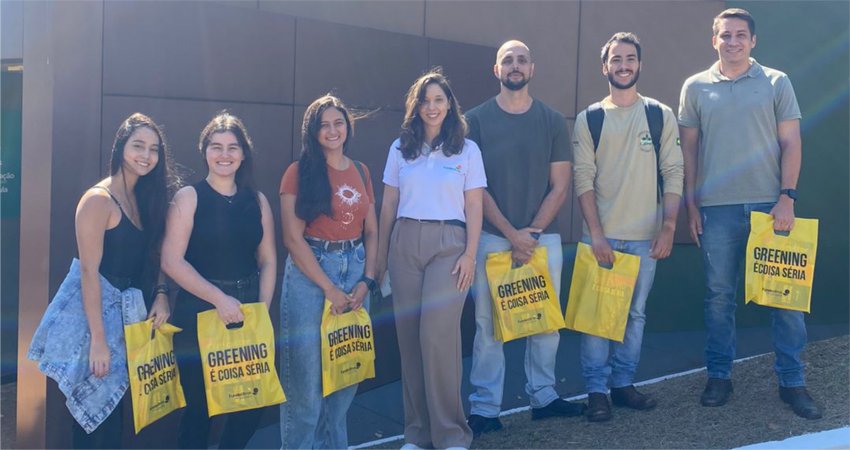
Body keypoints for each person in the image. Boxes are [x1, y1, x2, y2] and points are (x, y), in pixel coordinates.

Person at [678, 8, 821, 419]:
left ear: (753, 41)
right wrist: (691, 205)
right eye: (725, 35)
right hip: (716, 210)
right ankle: (719, 376)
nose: (733, 41)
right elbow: (689, 151)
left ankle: (792, 382)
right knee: (719, 298)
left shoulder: (777, 81)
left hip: (770, 207)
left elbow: (791, 143)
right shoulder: (695, 87)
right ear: (714, 40)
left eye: (741, 35)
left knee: (786, 301)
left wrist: (787, 198)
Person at [28, 113, 175, 448]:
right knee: (91, 414)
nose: (146, 155)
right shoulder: (98, 200)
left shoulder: (145, 198)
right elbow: (87, 273)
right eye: (138, 145)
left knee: (113, 414)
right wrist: (98, 340)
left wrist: (162, 293)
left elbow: (157, 253)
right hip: (93, 323)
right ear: (120, 147)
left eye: (154, 149)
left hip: (130, 318)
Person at [465, 40, 583, 437]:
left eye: (521, 60)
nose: (515, 66)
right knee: (488, 326)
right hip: (491, 239)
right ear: (495, 70)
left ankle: (544, 397)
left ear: (532, 68)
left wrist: (529, 234)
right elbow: (474, 187)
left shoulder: (551, 120)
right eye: (507, 61)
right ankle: (484, 408)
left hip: (541, 239)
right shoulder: (475, 121)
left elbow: (561, 185)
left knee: (546, 323)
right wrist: (511, 234)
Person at [573, 32, 683, 422]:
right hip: (601, 239)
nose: (623, 65)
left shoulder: (659, 114)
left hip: (645, 240)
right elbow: (583, 180)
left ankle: (622, 385)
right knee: (596, 318)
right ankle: (596, 391)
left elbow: (673, 171)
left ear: (640, 64)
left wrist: (669, 225)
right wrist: (597, 235)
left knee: (635, 315)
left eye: (630, 59)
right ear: (605, 67)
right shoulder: (590, 119)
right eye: (616, 59)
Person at [375, 70, 485, 450]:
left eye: (439, 100)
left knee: (436, 338)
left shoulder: (467, 150)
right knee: (409, 341)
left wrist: (471, 254)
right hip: (405, 242)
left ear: (450, 104)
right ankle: (417, 436)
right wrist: (380, 259)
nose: (432, 107)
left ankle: (452, 435)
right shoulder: (399, 148)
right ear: (416, 106)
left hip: (449, 246)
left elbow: (474, 204)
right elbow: (388, 204)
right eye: (425, 100)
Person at [161, 112, 278, 448]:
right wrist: (219, 299)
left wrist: (262, 312)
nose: (224, 154)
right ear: (205, 151)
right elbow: (171, 260)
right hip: (200, 311)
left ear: (243, 154)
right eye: (216, 146)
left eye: (232, 147)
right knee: (200, 410)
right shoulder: (189, 198)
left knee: (250, 406)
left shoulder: (257, 200)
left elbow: (268, 259)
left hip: (247, 311)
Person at [278, 95, 378, 449]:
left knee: (343, 377)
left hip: (354, 270)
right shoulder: (298, 172)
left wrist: (367, 280)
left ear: (348, 127)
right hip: (311, 272)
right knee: (304, 386)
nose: (332, 131)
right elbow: (292, 238)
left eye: (338, 123)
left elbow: (371, 230)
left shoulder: (362, 171)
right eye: (324, 125)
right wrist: (329, 289)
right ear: (313, 131)